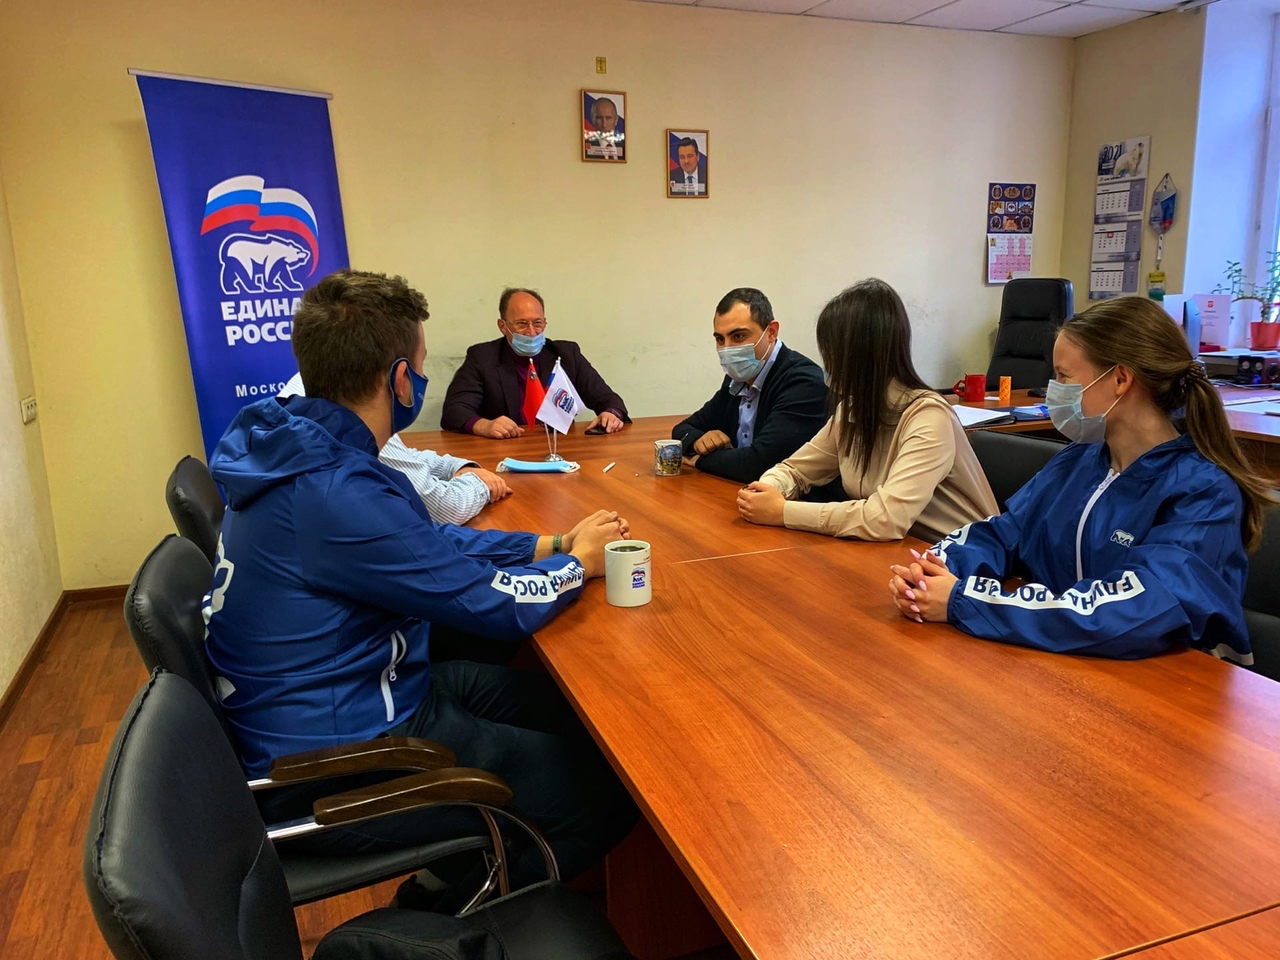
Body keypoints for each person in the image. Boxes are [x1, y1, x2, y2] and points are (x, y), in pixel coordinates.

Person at [203, 269, 637, 898]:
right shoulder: (332, 490)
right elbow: (492, 606)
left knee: (578, 716)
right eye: (424, 365)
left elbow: (427, 546)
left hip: (356, 696)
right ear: (401, 379)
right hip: (339, 762)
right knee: (612, 789)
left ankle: (473, 863)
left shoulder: (305, 450)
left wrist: (553, 545)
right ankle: (447, 909)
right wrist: (579, 567)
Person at [888, 296, 1274, 663]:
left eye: (1063, 376)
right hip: (1076, 664)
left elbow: (1132, 613)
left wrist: (964, 600)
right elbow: (1005, 533)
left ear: (1120, 379)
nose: (1052, 390)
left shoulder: (1203, 491)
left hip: (1172, 686)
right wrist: (934, 568)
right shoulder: (1079, 461)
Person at [737, 279, 997, 541]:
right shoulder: (852, 411)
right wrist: (765, 490)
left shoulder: (928, 417)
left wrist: (783, 512)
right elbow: (795, 470)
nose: (827, 363)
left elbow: (886, 519)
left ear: (860, 355)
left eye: (831, 352)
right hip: (898, 551)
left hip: (964, 557)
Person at [279, 372, 507, 525]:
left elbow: (399, 457)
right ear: (400, 375)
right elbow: (443, 509)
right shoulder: (355, 409)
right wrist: (480, 483)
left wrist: (456, 467)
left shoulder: (309, 389)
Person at [671, 287, 828, 485]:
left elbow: (759, 464)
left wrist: (700, 459)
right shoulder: (738, 378)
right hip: (741, 491)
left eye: (738, 336)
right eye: (720, 339)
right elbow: (683, 429)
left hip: (796, 500)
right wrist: (698, 441)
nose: (727, 349)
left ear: (771, 332)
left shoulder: (803, 381)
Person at [441, 287, 630, 438]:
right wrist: (485, 426)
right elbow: (454, 411)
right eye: (522, 323)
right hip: (505, 450)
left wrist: (611, 414)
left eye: (537, 323)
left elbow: (608, 399)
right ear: (503, 326)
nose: (531, 332)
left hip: (560, 449)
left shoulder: (566, 354)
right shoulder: (482, 358)